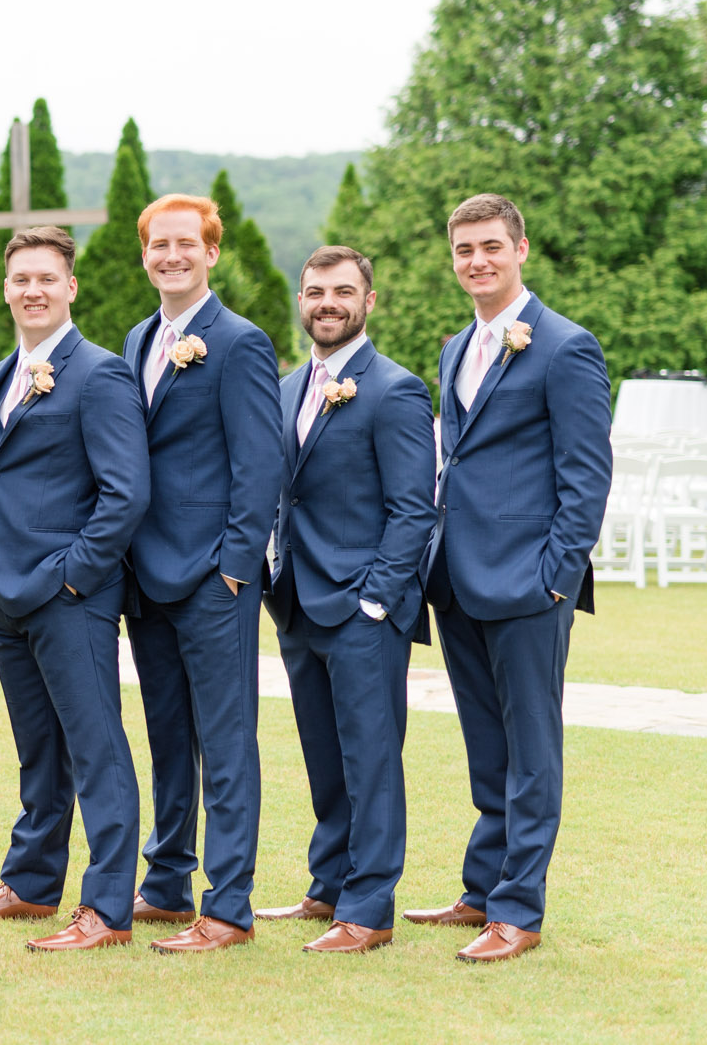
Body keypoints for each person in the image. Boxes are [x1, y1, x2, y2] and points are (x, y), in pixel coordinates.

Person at [407, 194, 610, 963]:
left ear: (521, 247)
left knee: (531, 750)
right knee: (485, 746)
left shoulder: (566, 346)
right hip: (456, 579)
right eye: (464, 249)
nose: (477, 260)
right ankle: (482, 889)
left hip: (529, 584)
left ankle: (518, 911)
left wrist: (556, 576)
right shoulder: (456, 346)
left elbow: (587, 476)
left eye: (491, 245)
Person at [0, 225, 149, 952]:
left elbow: (125, 493)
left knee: (97, 751)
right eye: (20, 278)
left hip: (69, 599)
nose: (32, 289)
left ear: (70, 287)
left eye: (45, 278)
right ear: (7, 288)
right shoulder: (3, 372)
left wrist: (72, 577)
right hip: (2, 594)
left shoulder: (99, 372)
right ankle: (31, 883)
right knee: (41, 750)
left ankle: (107, 909)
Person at [257, 245, 438, 953]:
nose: (325, 302)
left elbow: (414, 509)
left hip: (364, 609)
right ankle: (327, 885)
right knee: (324, 758)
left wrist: (376, 599)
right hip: (298, 602)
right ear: (300, 301)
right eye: (313, 291)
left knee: (370, 761)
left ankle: (368, 909)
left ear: (369, 300)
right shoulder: (286, 386)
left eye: (341, 291)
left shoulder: (395, 389)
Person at [116, 195, 281, 955]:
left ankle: (230, 904)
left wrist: (235, 572)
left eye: (187, 242)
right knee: (167, 737)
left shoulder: (240, 342)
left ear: (211, 253)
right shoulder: (138, 336)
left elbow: (259, 466)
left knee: (226, 741)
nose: (171, 254)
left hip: (215, 581)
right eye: (159, 243)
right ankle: (166, 881)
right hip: (147, 579)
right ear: (145, 254)